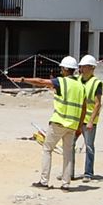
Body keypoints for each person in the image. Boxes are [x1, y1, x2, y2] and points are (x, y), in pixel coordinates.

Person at [19, 55, 85, 190]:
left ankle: (44, 181)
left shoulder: (62, 82)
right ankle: (66, 183)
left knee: (47, 149)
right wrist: (79, 126)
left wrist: (23, 80)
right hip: (72, 125)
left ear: (66, 69)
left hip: (59, 122)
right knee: (67, 154)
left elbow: (41, 81)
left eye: (62, 68)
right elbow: (84, 108)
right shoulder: (80, 86)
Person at [74, 55, 103, 181]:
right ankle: (69, 172)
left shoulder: (96, 83)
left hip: (88, 119)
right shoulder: (77, 80)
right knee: (70, 144)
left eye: (85, 66)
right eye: (82, 66)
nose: (82, 69)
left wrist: (91, 121)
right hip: (77, 118)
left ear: (91, 68)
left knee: (89, 146)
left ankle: (88, 173)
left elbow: (97, 104)